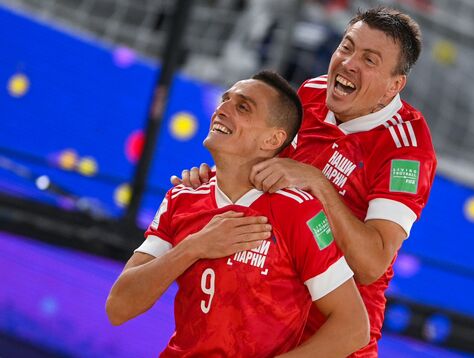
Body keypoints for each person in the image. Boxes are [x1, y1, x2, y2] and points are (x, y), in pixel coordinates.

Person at [173, 7, 437, 357]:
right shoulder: (311, 94)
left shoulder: (406, 150)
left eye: (369, 60)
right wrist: (214, 185)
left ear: (394, 86)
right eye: (347, 47)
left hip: (332, 338)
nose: (349, 63)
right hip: (264, 320)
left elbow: (372, 265)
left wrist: (317, 183)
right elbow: (262, 176)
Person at [106, 70, 369, 357]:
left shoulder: (298, 211)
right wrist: (194, 247)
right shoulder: (181, 197)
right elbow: (118, 307)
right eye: (225, 100)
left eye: (242, 107)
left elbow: (353, 328)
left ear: (272, 139)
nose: (222, 110)